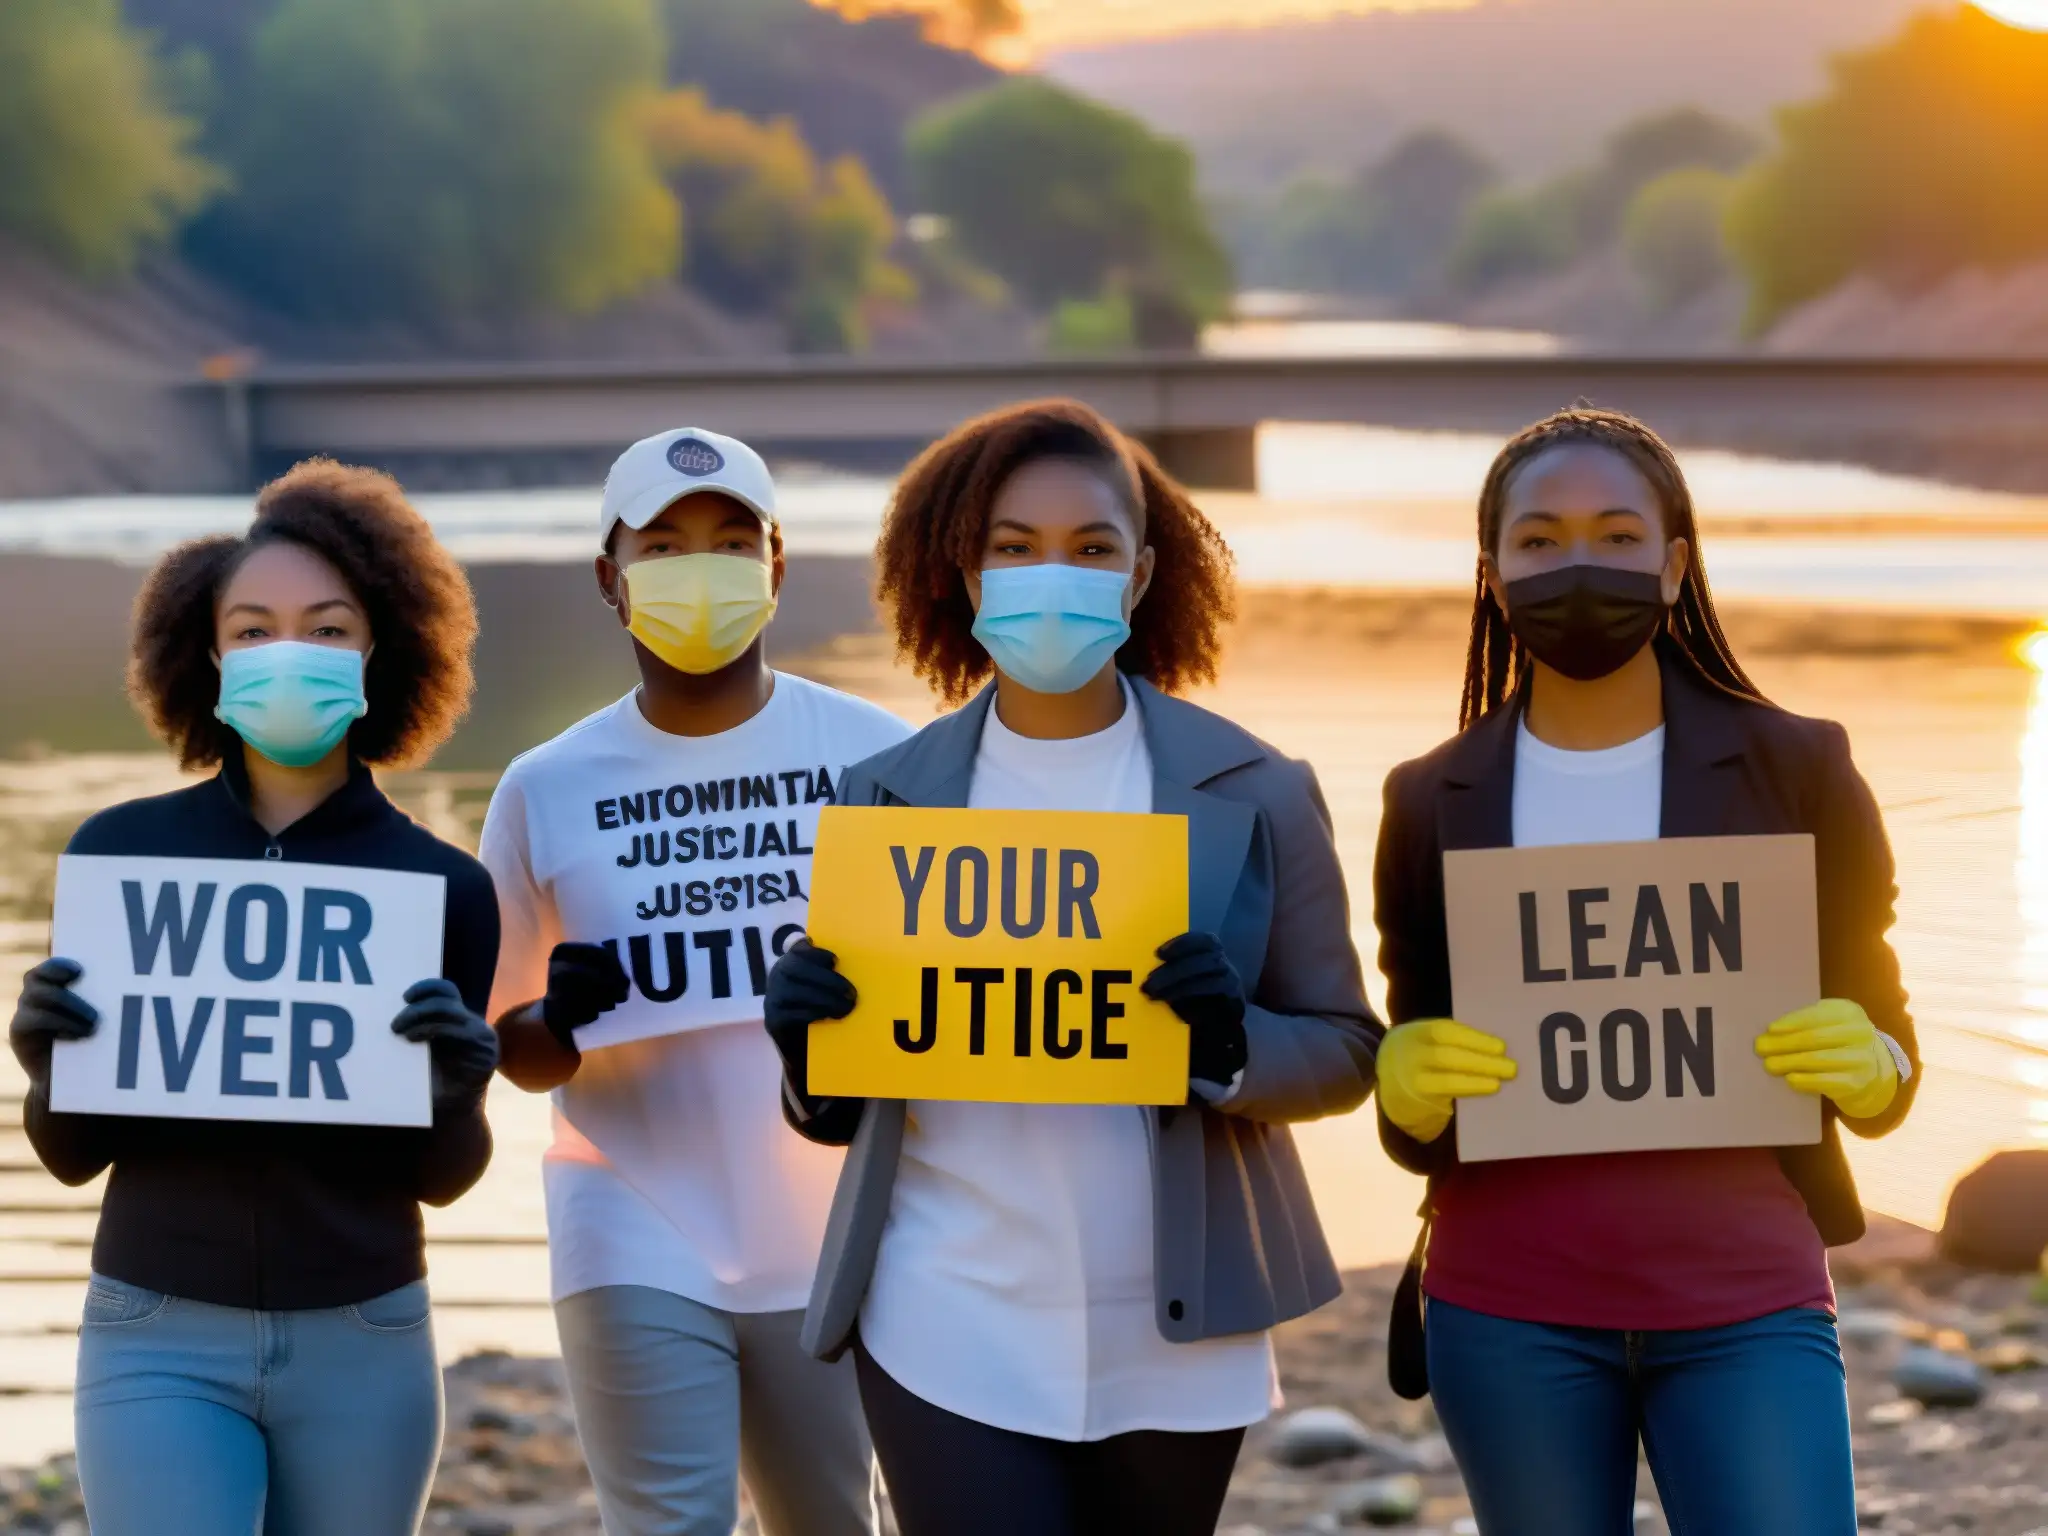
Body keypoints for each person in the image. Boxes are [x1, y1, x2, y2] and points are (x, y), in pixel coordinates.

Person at [762, 399, 1381, 1536]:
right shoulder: (882, 796)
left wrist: (1229, 1044)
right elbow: (842, 1100)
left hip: (1175, 1332)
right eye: (1014, 547)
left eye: (1090, 548)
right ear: (964, 570)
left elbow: (1347, 1051)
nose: (1054, 575)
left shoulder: (1256, 788)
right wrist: (804, 1049)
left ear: (1142, 573)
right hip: (940, 1307)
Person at [1371, 407, 1918, 1535]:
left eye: (1617, 536)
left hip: (1743, 1299)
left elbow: (1886, 1048)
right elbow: (1417, 1107)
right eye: (1538, 541)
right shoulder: (1428, 797)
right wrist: (1400, 1087)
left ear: (1672, 565)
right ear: (1490, 573)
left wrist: (1871, 1067)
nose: (1577, 565)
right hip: (1505, 1308)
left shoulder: (1796, 766)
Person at [7, 461, 502, 1536]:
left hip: (366, 1340)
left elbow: (447, 1180)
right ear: (208, 655)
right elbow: (70, 1150)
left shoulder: (445, 890)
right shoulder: (118, 860)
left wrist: (462, 1093)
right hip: (155, 1330)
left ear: (385, 649)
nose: (290, 655)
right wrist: (46, 1064)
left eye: (328, 629)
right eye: (253, 628)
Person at [479, 428, 907, 1536]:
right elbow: (505, 1051)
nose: (697, 569)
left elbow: (947, 1009)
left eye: (729, 540)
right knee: (665, 1523)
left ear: (775, 564)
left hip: (834, 1218)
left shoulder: (878, 760)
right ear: (609, 580)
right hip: (629, 1208)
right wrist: (555, 1020)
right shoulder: (544, 787)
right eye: (661, 546)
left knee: (832, 1521)